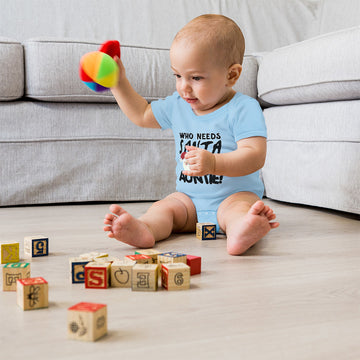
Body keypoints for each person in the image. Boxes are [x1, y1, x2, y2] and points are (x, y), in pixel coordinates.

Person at [103, 14, 279, 255]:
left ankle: (241, 230)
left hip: (234, 197)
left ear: (232, 75)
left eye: (196, 78)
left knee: (238, 211)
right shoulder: (178, 105)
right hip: (189, 200)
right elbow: (143, 114)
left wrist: (214, 162)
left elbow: (255, 155)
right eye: (178, 76)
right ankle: (145, 228)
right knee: (164, 208)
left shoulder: (243, 107)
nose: (183, 87)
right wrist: (118, 83)